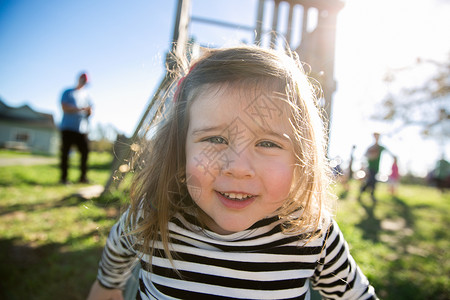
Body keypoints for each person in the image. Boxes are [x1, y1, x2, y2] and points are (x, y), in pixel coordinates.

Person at [87, 46, 378, 299]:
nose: (238, 168)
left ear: (300, 156)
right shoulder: (154, 215)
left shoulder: (313, 235)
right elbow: (118, 246)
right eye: (215, 139)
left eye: (267, 143)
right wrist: (107, 284)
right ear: (179, 147)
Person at [59, 72, 92, 184]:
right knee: (65, 153)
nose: (84, 83)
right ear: (79, 79)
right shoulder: (68, 92)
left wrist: (88, 111)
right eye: (82, 80)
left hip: (82, 129)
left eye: (85, 81)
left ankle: (83, 177)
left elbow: (90, 112)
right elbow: (64, 107)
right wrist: (79, 109)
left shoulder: (87, 95)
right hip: (68, 128)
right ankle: (64, 178)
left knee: (85, 152)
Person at [358, 132, 390, 201]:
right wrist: (371, 156)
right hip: (370, 167)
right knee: (371, 181)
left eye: (378, 136)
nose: (376, 138)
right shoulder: (371, 147)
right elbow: (365, 155)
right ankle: (365, 192)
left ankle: (365, 193)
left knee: (373, 182)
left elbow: (388, 151)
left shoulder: (380, 147)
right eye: (375, 136)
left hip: (376, 168)